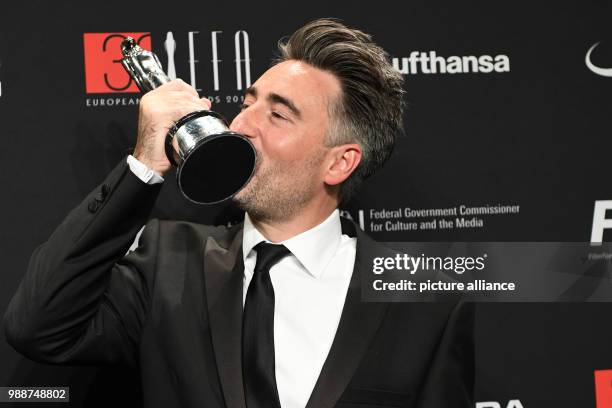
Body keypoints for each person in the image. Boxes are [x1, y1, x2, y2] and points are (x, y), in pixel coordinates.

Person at [3, 18, 474, 408]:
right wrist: (145, 163)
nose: (242, 124)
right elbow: (38, 326)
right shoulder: (166, 261)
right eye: (247, 104)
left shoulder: (423, 301)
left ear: (339, 162)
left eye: (278, 115)